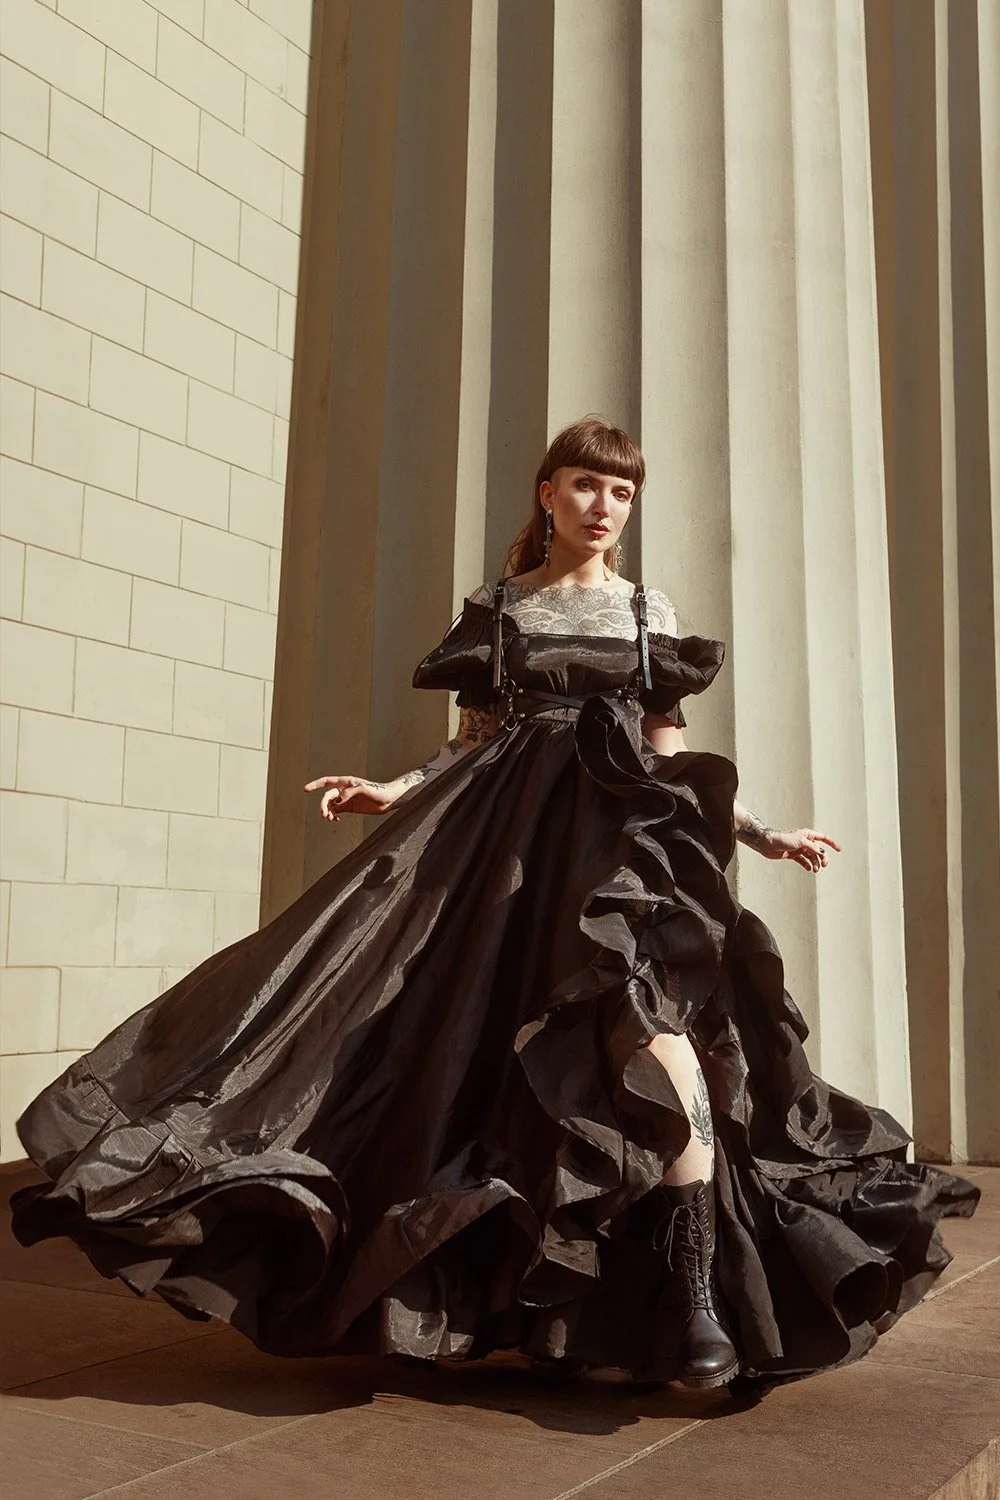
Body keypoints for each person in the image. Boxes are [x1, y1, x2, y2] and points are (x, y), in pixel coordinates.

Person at [10, 416, 980, 1395]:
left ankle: (697, 1306)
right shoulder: (500, 606)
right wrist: (393, 793)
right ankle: (477, 1295)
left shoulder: (647, 611)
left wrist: (762, 832)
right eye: (588, 487)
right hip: (501, 853)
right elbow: (470, 740)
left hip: (614, 854)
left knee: (653, 1036)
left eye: (623, 492)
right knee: (456, 1044)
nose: (605, 507)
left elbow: (668, 754)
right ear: (548, 494)